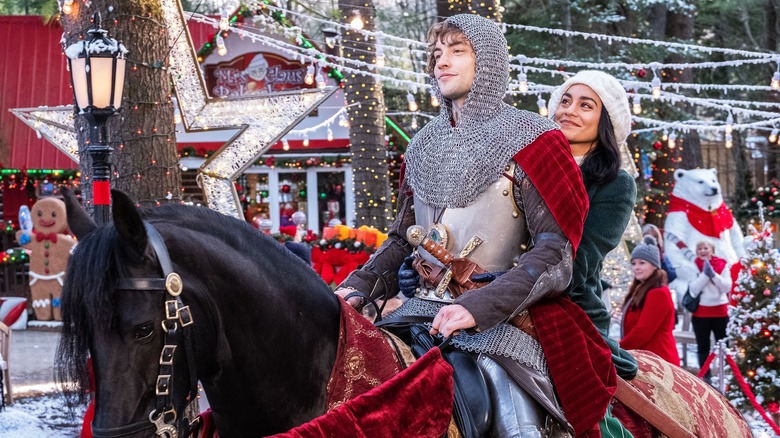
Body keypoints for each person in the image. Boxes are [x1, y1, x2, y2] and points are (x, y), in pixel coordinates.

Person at [336, 14, 615, 437]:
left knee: (509, 417)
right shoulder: (422, 146)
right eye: (436, 54)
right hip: (420, 311)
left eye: (457, 51)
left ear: (488, 61)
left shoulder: (536, 140)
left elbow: (556, 252)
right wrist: (358, 285)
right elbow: (401, 238)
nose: (441, 62)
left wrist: (478, 306)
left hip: (504, 322)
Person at [547, 70, 640, 380]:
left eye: (585, 105)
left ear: (605, 122)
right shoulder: (526, 166)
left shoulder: (616, 185)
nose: (569, 111)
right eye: (565, 101)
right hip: (492, 293)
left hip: (570, 309)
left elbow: (580, 264)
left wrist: (508, 292)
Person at [619, 236, 680, 365]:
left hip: (658, 360)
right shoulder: (640, 289)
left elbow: (643, 331)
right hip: (645, 359)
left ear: (654, 266)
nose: (636, 267)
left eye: (642, 263)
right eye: (634, 263)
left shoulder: (658, 293)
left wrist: (618, 349)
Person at [688, 240, 730, 376]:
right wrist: (705, 275)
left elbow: (727, 287)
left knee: (724, 346)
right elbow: (693, 289)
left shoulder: (723, 264)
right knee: (703, 347)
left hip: (720, 312)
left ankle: (724, 375)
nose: (702, 251)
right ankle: (705, 377)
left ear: (712, 250)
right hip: (701, 314)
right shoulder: (693, 266)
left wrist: (713, 275)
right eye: (699, 248)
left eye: (705, 248)